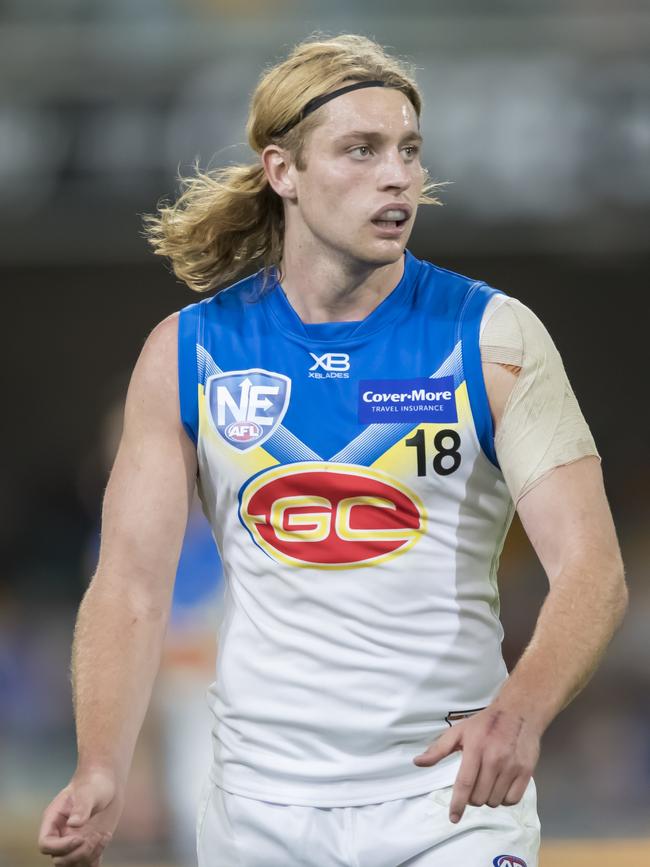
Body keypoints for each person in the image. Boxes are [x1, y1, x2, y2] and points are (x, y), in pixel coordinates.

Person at [38, 34, 627, 867]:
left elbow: (592, 568)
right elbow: (131, 584)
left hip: (448, 802)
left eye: (410, 151)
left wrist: (520, 710)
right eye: (362, 150)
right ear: (283, 171)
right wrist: (101, 764)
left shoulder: (494, 338)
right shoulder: (188, 354)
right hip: (258, 811)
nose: (398, 175)